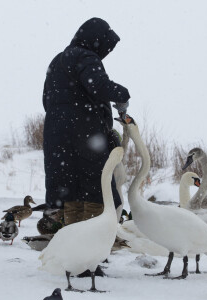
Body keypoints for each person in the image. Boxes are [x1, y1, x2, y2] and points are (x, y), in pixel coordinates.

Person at [43, 17, 130, 226]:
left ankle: (74, 246)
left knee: (71, 193)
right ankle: (92, 248)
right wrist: (122, 96)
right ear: (96, 40)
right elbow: (99, 86)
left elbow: (47, 99)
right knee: (95, 191)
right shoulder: (85, 56)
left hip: (57, 139)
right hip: (84, 136)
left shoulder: (58, 61)